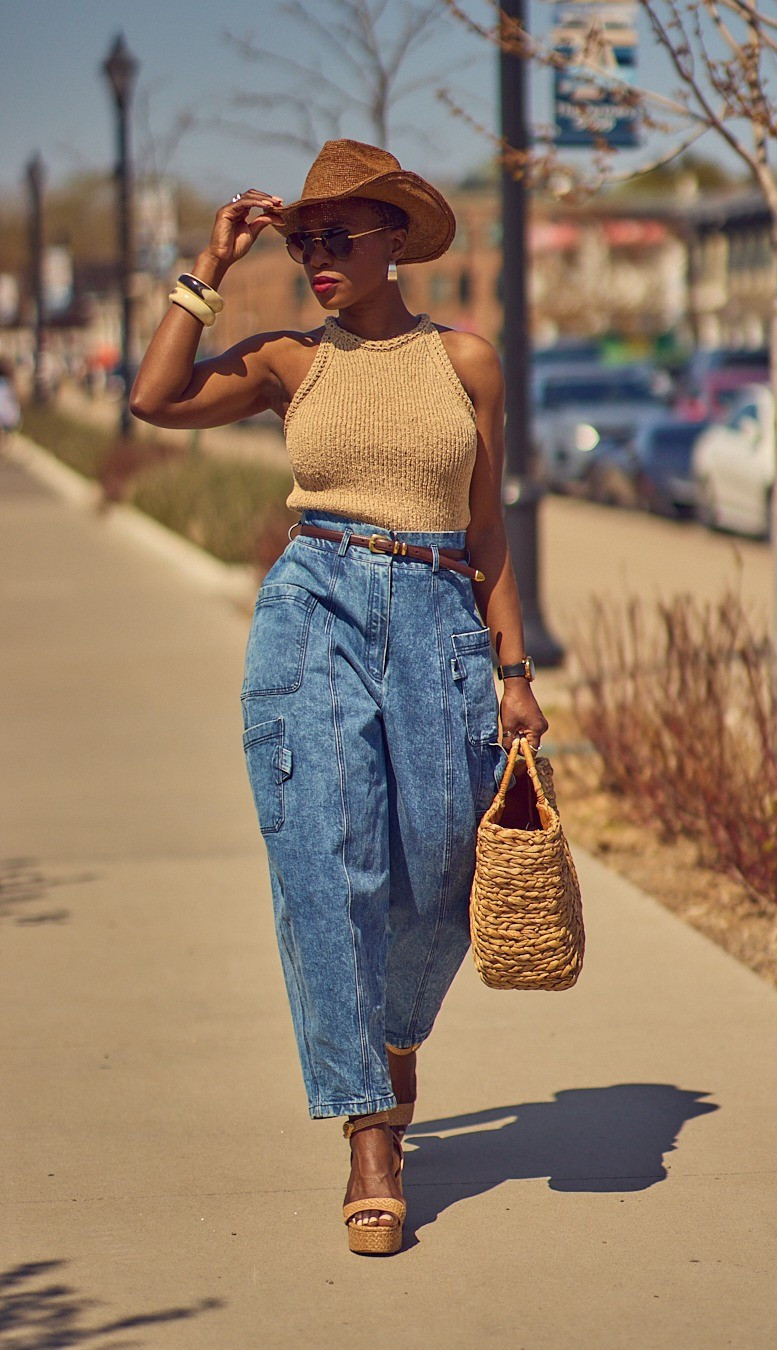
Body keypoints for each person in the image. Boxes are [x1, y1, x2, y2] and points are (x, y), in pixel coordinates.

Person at [130, 140, 548, 1256]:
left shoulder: (467, 364)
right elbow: (155, 397)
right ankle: (370, 1135)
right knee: (325, 860)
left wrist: (515, 673)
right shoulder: (287, 365)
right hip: (313, 604)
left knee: (442, 859)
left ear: (394, 241)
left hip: (438, 618)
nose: (315, 256)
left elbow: (490, 525)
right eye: (301, 238)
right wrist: (207, 266)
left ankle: (392, 1030)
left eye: (336, 238)